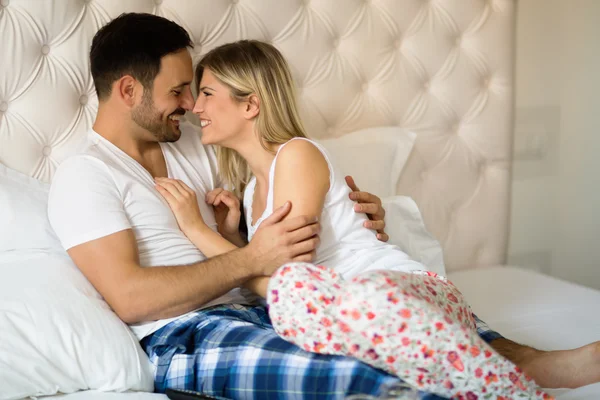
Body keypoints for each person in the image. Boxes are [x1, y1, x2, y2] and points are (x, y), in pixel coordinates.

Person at [45, 12, 598, 400]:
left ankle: (525, 366)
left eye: (200, 93)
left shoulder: (199, 148)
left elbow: (282, 203)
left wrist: (357, 213)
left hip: (272, 302)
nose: (191, 107)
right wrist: (249, 256)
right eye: (180, 92)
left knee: (390, 325)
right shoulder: (84, 175)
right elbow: (130, 297)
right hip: (194, 328)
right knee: (364, 377)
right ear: (127, 91)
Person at [152, 40, 547, 399]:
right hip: (355, 321)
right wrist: (231, 237)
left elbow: (288, 278)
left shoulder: (296, 154)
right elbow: (272, 286)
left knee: (312, 293)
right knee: (298, 311)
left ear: (250, 105)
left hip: (403, 297)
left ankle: (510, 389)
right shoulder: (254, 191)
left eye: (206, 93)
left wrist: (197, 231)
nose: (195, 107)